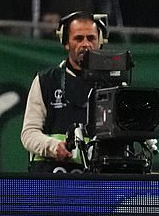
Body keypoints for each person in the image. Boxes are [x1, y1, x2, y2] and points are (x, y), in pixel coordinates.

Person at [21, 11, 106, 173]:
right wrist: (53, 147)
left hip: (98, 184)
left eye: (91, 38)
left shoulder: (113, 84)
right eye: (79, 39)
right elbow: (29, 134)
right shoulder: (45, 80)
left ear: (99, 42)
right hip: (50, 181)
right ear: (66, 43)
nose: (86, 44)